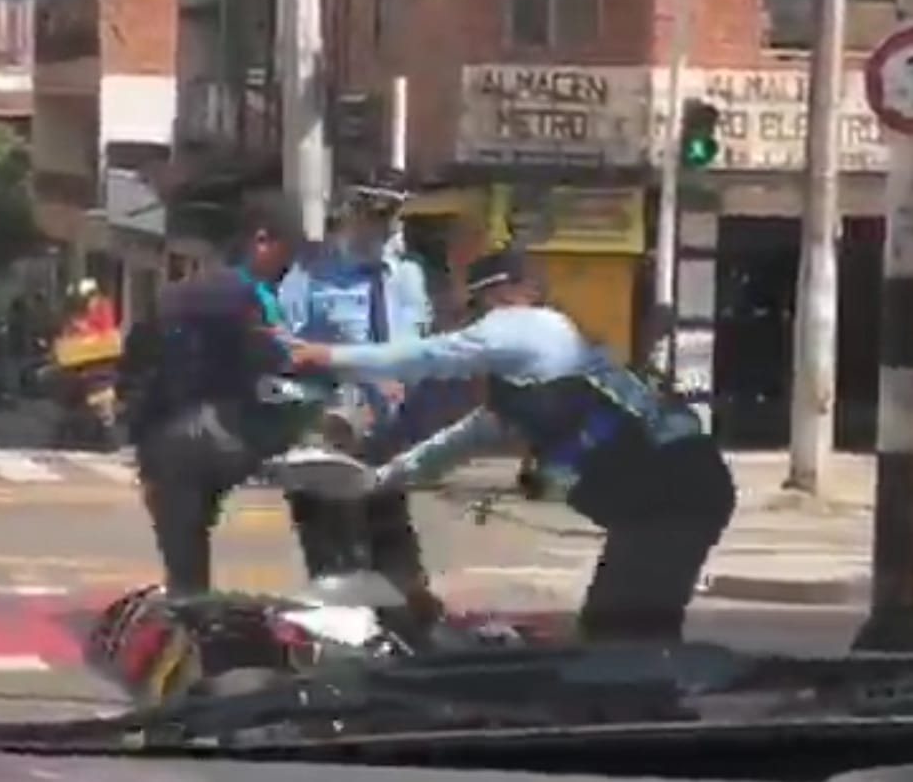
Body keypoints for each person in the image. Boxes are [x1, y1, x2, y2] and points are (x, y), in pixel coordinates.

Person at [286, 248, 737, 643]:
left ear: (499, 294)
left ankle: (662, 721)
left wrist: (327, 357)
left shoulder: (532, 327)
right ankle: (655, 712)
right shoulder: (529, 382)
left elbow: (428, 357)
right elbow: (455, 443)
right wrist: (379, 480)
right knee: (621, 626)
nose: (477, 325)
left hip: (671, 484)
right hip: (668, 492)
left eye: (477, 310)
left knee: (623, 633)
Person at [276, 189, 442, 628]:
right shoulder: (309, 276)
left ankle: (407, 641)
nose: (380, 229)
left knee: (394, 548)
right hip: (328, 431)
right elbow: (282, 349)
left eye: (389, 218)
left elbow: (419, 341)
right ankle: (342, 646)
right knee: (336, 554)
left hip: (389, 434)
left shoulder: (407, 276)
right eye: (369, 218)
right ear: (345, 218)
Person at [130, 194, 309, 600]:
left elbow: (141, 363)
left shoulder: (176, 294)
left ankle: (189, 612)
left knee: (184, 549)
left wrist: (142, 441)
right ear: (261, 241)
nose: (289, 266)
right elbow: (278, 361)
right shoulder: (251, 298)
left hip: (168, 435)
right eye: (288, 253)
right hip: (228, 430)